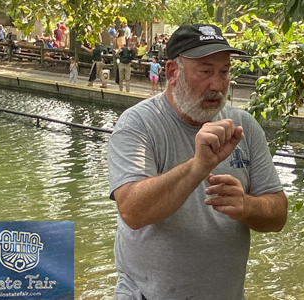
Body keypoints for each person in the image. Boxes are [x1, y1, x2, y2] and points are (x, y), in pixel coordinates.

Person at [107, 23, 286, 300]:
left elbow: (278, 215)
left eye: (224, 71)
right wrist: (197, 166)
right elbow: (132, 211)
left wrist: (247, 206)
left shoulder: (244, 127)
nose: (217, 84)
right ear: (172, 73)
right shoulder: (138, 124)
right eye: (205, 72)